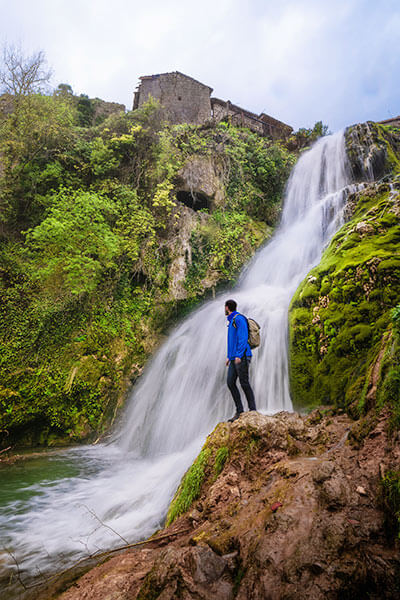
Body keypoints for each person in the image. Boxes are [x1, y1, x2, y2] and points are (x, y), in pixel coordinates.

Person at [225, 299, 256, 422]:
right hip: (234, 357)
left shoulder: (239, 319)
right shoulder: (231, 321)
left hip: (242, 356)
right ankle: (239, 411)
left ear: (227, 307)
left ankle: (253, 410)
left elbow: (243, 337)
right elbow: (232, 340)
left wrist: (238, 354)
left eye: (225, 307)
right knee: (230, 382)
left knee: (244, 382)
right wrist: (229, 356)